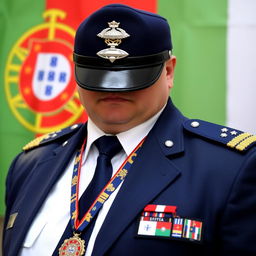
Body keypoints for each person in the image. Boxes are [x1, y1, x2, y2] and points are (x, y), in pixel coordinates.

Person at [3, 3, 256, 256]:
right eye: (97, 77)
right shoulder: (31, 165)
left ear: (168, 71)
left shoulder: (229, 170)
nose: (113, 90)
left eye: (133, 77)